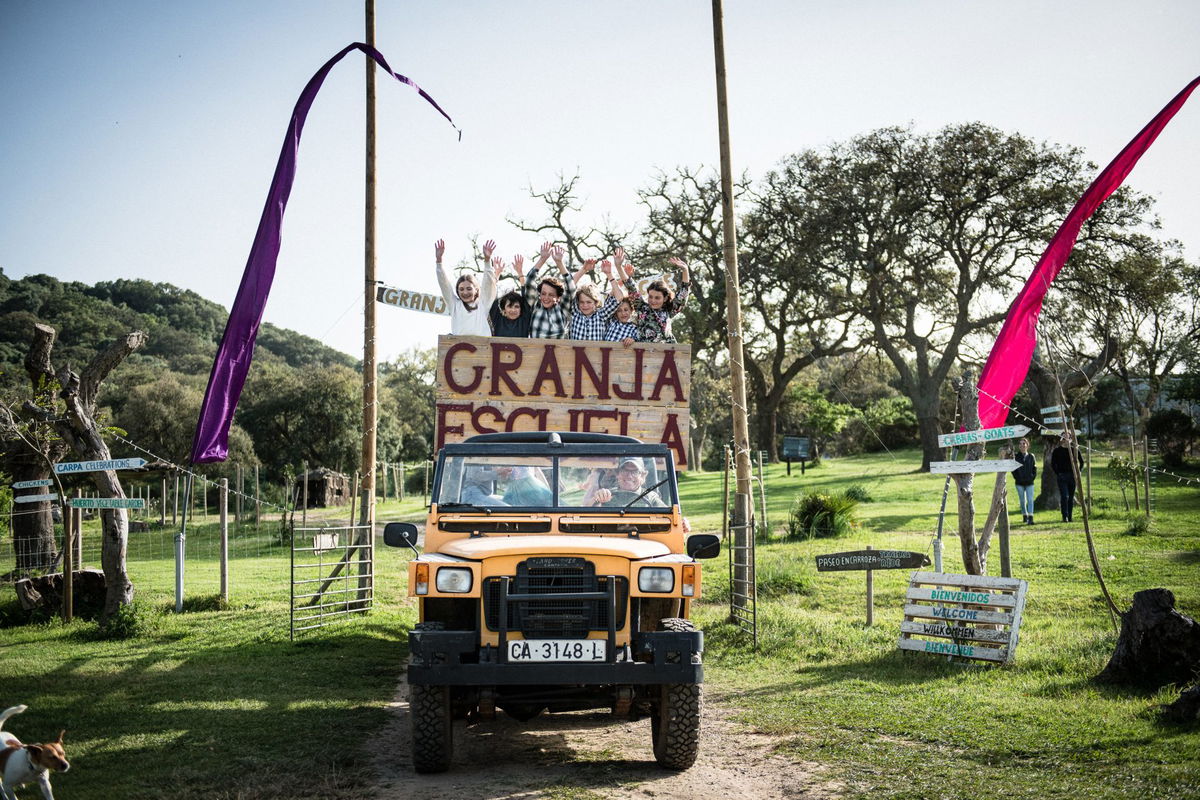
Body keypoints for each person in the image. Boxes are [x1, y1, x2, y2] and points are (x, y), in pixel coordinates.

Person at [618, 252, 691, 343]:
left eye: (657, 298)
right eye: (650, 297)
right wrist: (618, 266)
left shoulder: (669, 310)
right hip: (644, 352)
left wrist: (685, 270)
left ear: (665, 298)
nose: (653, 300)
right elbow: (630, 286)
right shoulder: (641, 307)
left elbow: (683, 293)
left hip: (666, 352)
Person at [435, 238, 497, 336]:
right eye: (461, 289)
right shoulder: (455, 305)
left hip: (482, 348)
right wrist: (439, 262)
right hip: (460, 348)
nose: (465, 292)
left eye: (469, 289)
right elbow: (444, 285)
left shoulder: (482, 303)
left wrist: (487, 260)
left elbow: (488, 283)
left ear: (476, 290)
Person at [524, 245, 575, 339]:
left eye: (551, 295)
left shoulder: (562, 308)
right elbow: (529, 281)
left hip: (559, 352)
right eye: (543, 293)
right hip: (536, 351)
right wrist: (542, 259)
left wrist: (559, 263)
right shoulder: (536, 305)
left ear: (558, 297)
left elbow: (570, 288)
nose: (546, 298)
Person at [585, 458, 666, 507]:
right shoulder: (606, 494)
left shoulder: (651, 498)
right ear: (617, 474)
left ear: (643, 476)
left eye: (634, 472)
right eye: (625, 470)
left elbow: (667, 517)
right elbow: (585, 513)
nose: (629, 476)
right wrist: (597, 499)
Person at [1050, 434, 1083, 522]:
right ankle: (1065, 516)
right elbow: (1053, 464)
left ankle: (1070, 516)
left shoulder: (1074, 450)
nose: (1066, 438)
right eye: (1064, 437)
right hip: (1062, 476)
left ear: (1071, 439)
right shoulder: (1057, 451)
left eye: (1068, 437)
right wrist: (1058, 473)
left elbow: (1082, 462)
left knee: (1071, 497)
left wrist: (1079, 472)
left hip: (1072, 476)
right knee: (1065, 496)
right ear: (1061, 439)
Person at [1011, 438, 1037, 525]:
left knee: (1030, 500)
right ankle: (1024, 515)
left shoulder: (1031, 456)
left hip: (1030, 482)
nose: (1022, 445)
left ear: (1027, 445)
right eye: (1021, 444)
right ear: (1019, 446)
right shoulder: (1015, 457)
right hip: (1019, 483)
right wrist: (1017, 478)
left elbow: (1034, 469)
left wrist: (1032, 477)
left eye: (1024, 444)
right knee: (1022, 500)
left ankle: (1031, 517)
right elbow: (1013, 470)